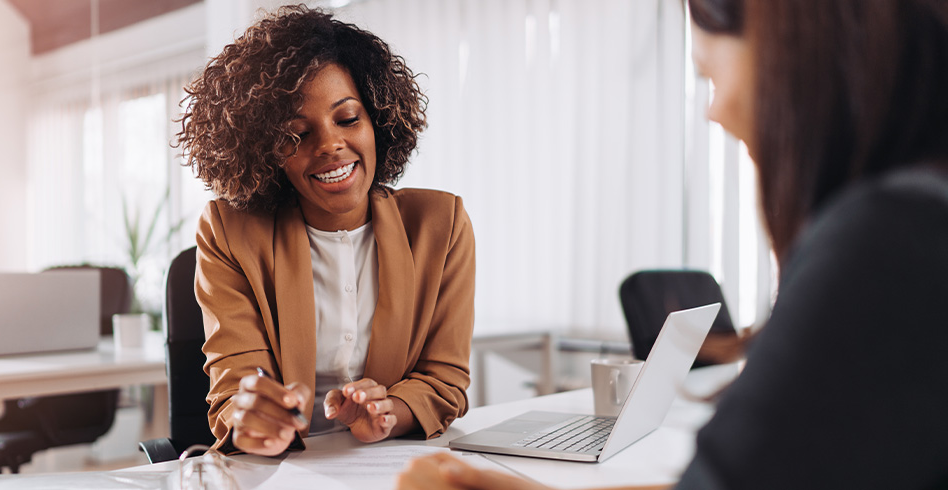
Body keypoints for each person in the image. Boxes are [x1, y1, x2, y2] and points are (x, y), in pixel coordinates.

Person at [397, 0, 948, 488]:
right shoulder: (916, 221)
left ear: (797, 56)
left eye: (709, 75)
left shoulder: (885, 246)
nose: (715, 110)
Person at [177, 5, 475, 456]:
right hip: (278, 473)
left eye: (348, 119)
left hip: (389, 466)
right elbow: (235, 386)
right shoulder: (229, 230)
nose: (330, 146)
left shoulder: (440, 223)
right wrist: (254, 419)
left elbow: (444, 379)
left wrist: (389, 414)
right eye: (296, 134)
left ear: (377, 119)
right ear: (266, 152)